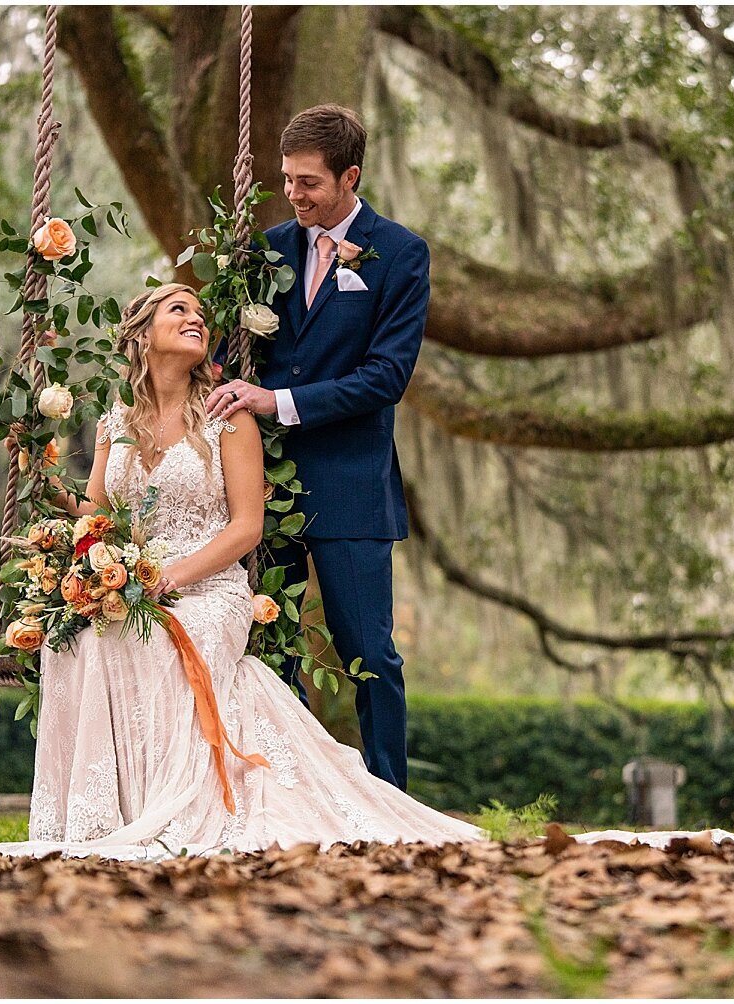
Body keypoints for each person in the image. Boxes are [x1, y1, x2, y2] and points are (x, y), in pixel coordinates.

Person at [0, 283, 484, 860]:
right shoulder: (113, 424)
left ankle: (171, 807)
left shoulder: (228, 418)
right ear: (142, 335)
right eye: (179, 310)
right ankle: (103, 815)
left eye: (201, 313)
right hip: (135, 581)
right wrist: (40, 482)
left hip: (210, 588)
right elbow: (99, 518)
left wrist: (171, 576)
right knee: (69, 640)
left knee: (165, 639)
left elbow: (247, 527)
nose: (196, 318)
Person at [204, 104, 423, 791]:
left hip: (353, 486)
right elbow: (225, 354)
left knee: (370, 655)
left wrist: (279, 402)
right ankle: (293, 793)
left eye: (309, 183)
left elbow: (387, 376)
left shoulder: (400, 253)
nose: (294, 195)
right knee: (270, 645)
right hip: (262, 485)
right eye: (287, 180)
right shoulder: (264, 248)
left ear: (350, 176)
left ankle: (390, 799)